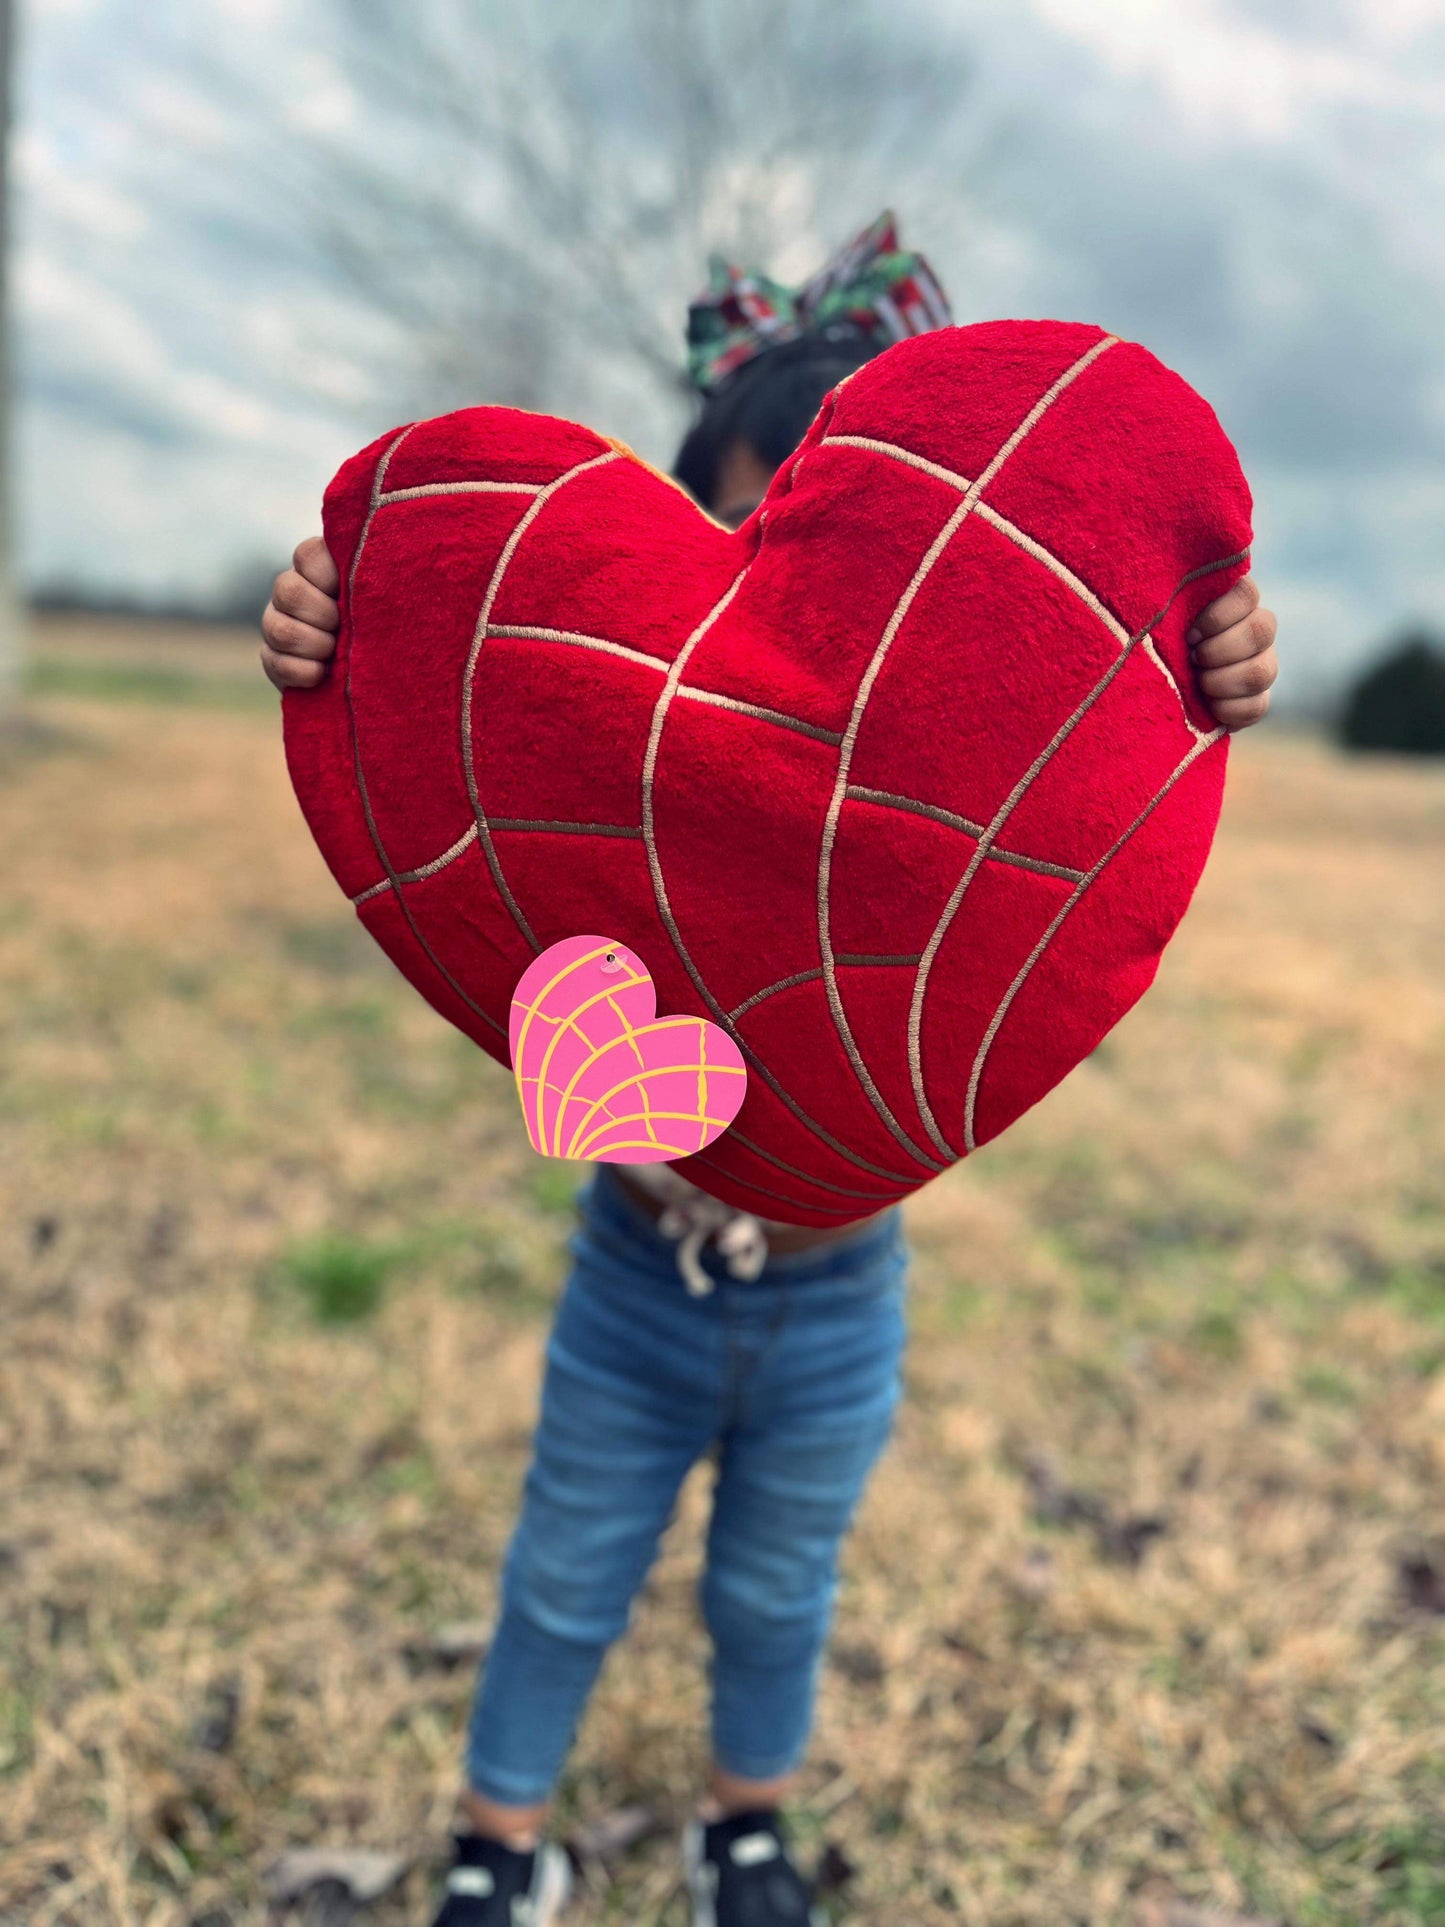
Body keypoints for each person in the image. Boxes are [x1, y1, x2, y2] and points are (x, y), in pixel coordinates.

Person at [260, 218, 1280, 1927]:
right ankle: (495, 1845)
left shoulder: (920, 809)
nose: (783, 591)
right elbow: (459, 738)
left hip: (838, 1291)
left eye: (837, 528)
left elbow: (1097, 760)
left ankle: (746, 1830)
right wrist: (340, 634)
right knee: (565, 1572)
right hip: (634, 1265)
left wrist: (1193, 661)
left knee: (775, 1588)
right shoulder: (642, 791)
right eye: (742, 520)